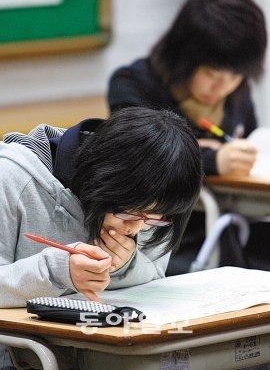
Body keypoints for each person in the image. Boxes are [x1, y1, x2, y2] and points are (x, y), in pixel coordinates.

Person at [0, 107, 202, 369]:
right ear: (107, 182)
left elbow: (154, 278)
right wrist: (57, 270)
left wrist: (126, 265)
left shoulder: (157, 204)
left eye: (154, 218)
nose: (137, 228)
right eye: (131, 213)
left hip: (103, 350)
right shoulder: (12, 176)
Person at [107, 0, 268, 275]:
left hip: (231, 227)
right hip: (161, 238)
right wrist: (211, 159)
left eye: (234, 76)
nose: (222, 88)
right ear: (183, 57)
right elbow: (142, 157)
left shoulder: (237, 95)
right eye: (211, 74)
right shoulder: (133, 84)